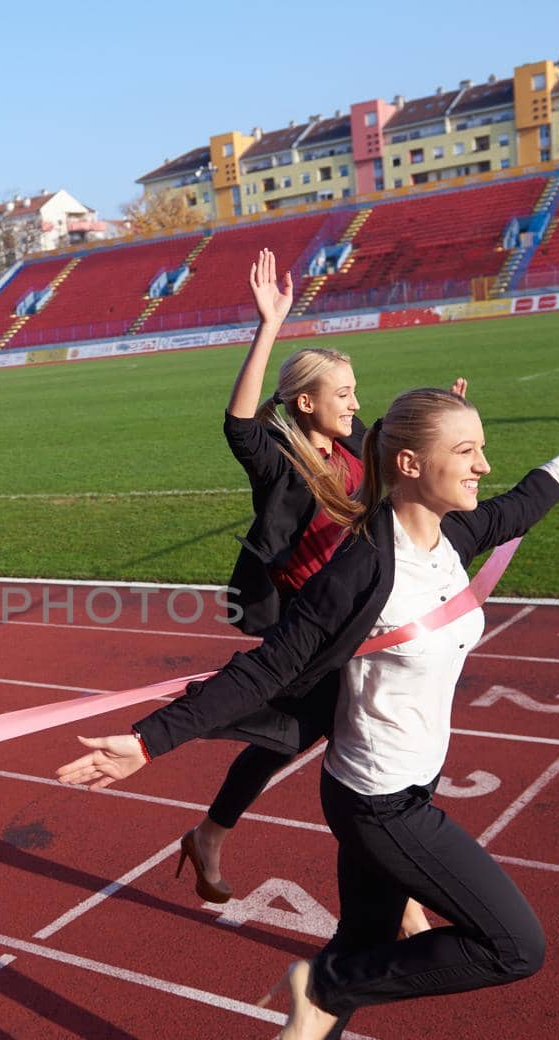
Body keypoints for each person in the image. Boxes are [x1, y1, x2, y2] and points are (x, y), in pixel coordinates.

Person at [59, 386, 559, 1040]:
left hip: (413, 783)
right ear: (410, 464)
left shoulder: (451, 536)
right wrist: (148, 741)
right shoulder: (362, 569)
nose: (484, 465)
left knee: (368, 941)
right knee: (514, 947)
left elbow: (523, 504)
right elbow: (265, 670)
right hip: (379, 803)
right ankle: (317, 991)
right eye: (467, 452)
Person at [182, 248, 437, 945]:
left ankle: (209, 834)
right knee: (349, 750)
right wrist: (269, 327)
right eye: (343, 395)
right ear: (304, 403)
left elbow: (397, 454)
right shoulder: (285, 462)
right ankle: (402, 901)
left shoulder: (354, 448)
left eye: (356, 394)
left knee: (297, 739)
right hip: (306, 626)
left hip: (355, 615)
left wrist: (441, 420)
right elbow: (238, 425)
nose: (356, 404)